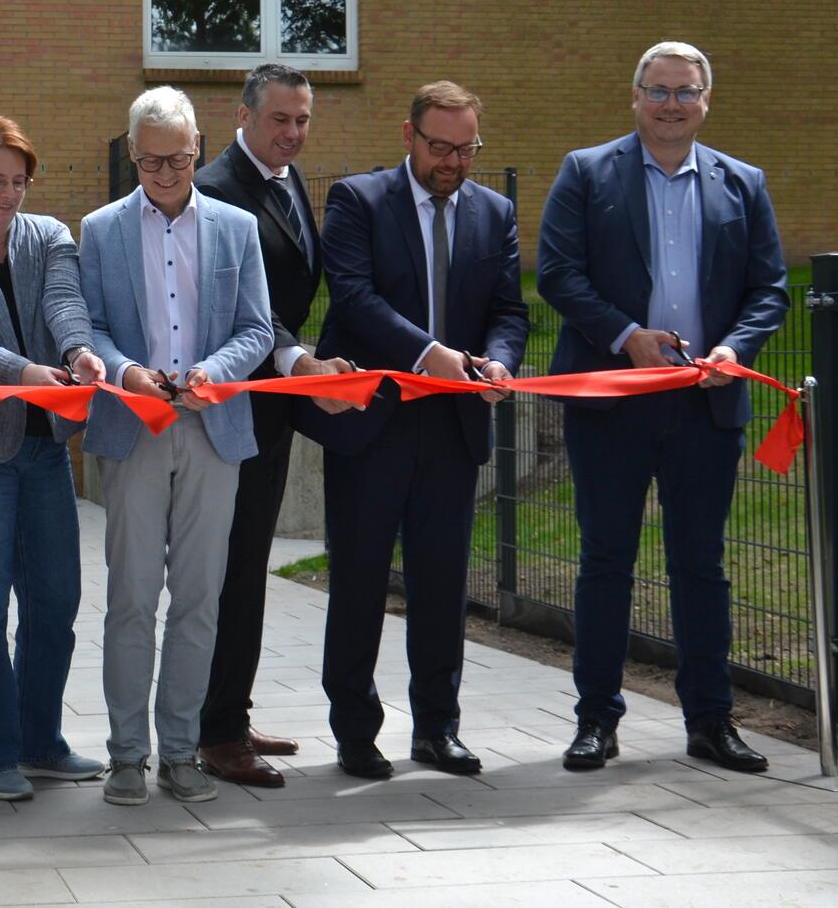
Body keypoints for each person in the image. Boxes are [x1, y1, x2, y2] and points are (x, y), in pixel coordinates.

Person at [537, 42, 789, 773]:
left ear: (707, 101)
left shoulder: (743, 183)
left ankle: (711, 722)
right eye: (658, 90)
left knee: (700, 566)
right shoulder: (587, 173)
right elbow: (557, 272)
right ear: (635, 96)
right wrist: (625, 336)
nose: (671, 104)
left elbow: (768, 288)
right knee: (606, 561)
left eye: (686, 92)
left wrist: (735, 349)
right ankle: (595, 723)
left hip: (704, 405)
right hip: (612, 401)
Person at [308, 82, 529, 779]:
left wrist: (499, 359)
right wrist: (427, 354)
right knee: (360, 580)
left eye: (467, 150)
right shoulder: (358, 200)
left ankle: (438, 728)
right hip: (372, 424)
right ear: (409, 134)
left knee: (442, 583)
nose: (453, 162)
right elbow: (355, 297)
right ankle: (355, 732)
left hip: (453, 428)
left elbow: (510, 310)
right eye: (441, 147)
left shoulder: (495, 213)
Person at [79, 87, 273, 806]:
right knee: (130, 598)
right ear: (132, 153)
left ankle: (181, 752)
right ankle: (128, 754)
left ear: (199, 150)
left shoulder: (235, 227)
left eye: (181, 160)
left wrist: (213, 373)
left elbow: (257, 329)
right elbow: (90, 326)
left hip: (212, 429)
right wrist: (128, 372)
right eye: (153, 162)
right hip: (133, 428)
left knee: (199, 600)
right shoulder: (99, 229)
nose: (167, 175)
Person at [192, 63, 355, 788]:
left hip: (275, 406)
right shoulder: (215, 189)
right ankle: (214, 731)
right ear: (244, 114)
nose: (293, 134)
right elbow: (238, 305)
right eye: (280, 120)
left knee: (248, 567)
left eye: (303, 121)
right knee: (225, 571)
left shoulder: (287, 184)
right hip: (230, 409)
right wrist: (294, 356)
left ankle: (230, 712)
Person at [0, 115, 110, 801]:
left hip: (45, 450)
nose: (9, 195)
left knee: (56, 599)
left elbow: (65, 304)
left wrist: (77, 354)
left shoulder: (49, 236)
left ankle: (39, 740)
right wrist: (29, 372)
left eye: (19, 182)